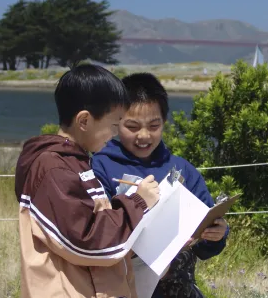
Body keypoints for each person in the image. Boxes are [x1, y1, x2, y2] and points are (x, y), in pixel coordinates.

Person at [14, 65, 160, 298]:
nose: (115, 135)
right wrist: (138, 203)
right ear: (84, 121)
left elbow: (91, 222)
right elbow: (86, 240)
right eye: (114, 125)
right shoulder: (53, 168)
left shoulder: (77, 162)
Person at [92, 72, 229, 298]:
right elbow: (96, 232)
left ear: (165, 121)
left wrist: (217, 234)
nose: (144, 136)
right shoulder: (100, 166)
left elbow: (207, 238)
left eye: (154, 125)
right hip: (121, 289)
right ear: (116, 123)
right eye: (133, 127)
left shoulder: (183, 170)